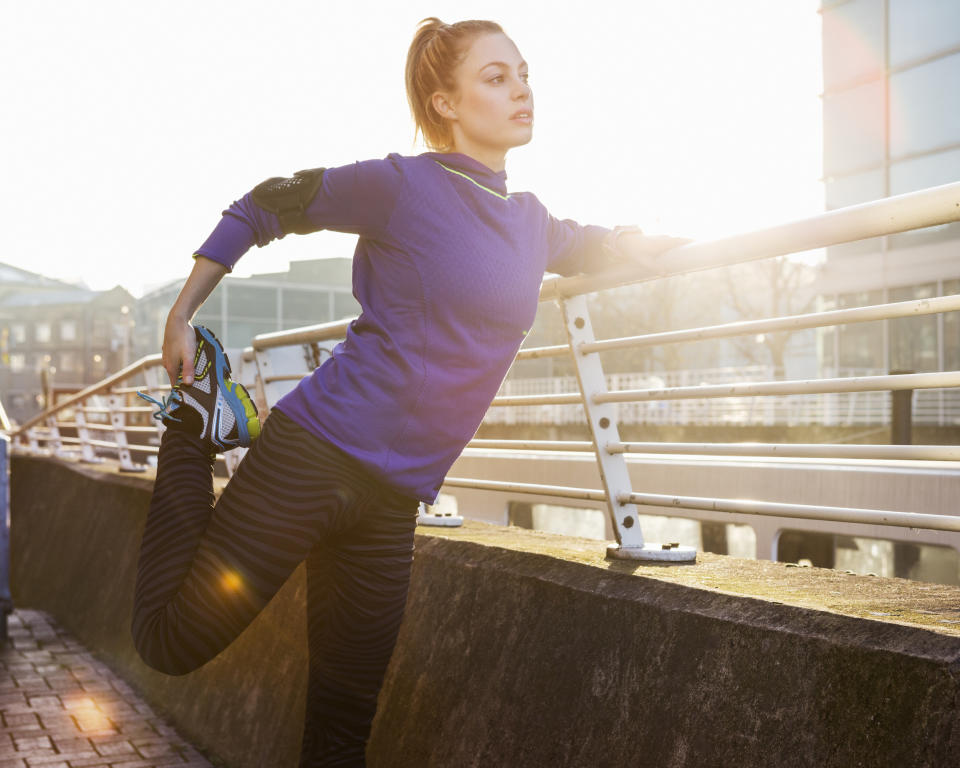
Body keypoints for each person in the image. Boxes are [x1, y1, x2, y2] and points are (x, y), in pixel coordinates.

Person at [132, 16, 687, 768]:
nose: (521, 89)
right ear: (446, 104)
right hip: (314, 454)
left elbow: (582, 241)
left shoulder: (529, 223)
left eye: (524, 73)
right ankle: (197, 425)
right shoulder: (401, 185)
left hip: (394, 500)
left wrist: (632, 243)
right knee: (171, 641)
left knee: (342, 728)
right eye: (496, 77)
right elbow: (267, 203)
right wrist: (182, 311)